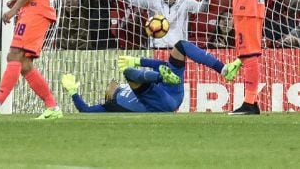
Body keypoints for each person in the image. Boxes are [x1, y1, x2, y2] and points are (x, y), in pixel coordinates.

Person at [61, 39, 242, 113]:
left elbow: (162, 65)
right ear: (108, 94)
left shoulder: (122, 90)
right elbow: (85, 110)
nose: (112, 83)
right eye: (110, 86)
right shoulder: (110, 105)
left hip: (172, 88)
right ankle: (161, 77)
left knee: (180, 46)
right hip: (161, 102)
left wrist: (139, 60)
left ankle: (223, 69)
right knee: (128, 73)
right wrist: (73, 92)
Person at [120, 0, 210, 48]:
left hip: (179, 49)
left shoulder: (186, 1)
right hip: (156, 47)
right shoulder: (153, 0)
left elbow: (201, 8)